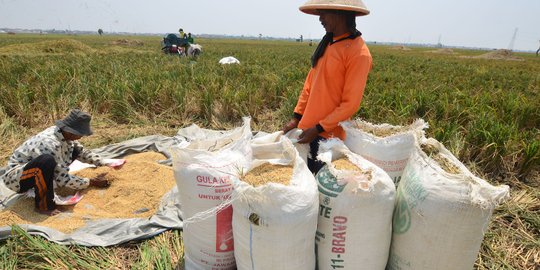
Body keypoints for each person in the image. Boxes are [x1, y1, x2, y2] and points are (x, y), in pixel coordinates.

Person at [282, 0, 373, 174]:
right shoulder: (327, 44)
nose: (320, 19)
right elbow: (309, 86)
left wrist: (318, 128)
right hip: (307, 131)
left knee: (319, 186)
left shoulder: (358, 53)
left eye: (324, 13)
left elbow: (350, 104)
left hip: (327, 138)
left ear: (340, 14)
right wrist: (296, 118)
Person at [0, 109, 120, 216]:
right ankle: (43, 206)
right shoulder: (49, 142)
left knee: (75, 150)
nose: (81, 137)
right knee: (46, 161)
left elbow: (82, 152)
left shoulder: (63, 135)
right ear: (71, 131)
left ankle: (43, 185)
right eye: (80, 134)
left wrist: (104, 163)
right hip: (16, 178)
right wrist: (90, 182)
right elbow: (62, 179)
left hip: (33, 171)